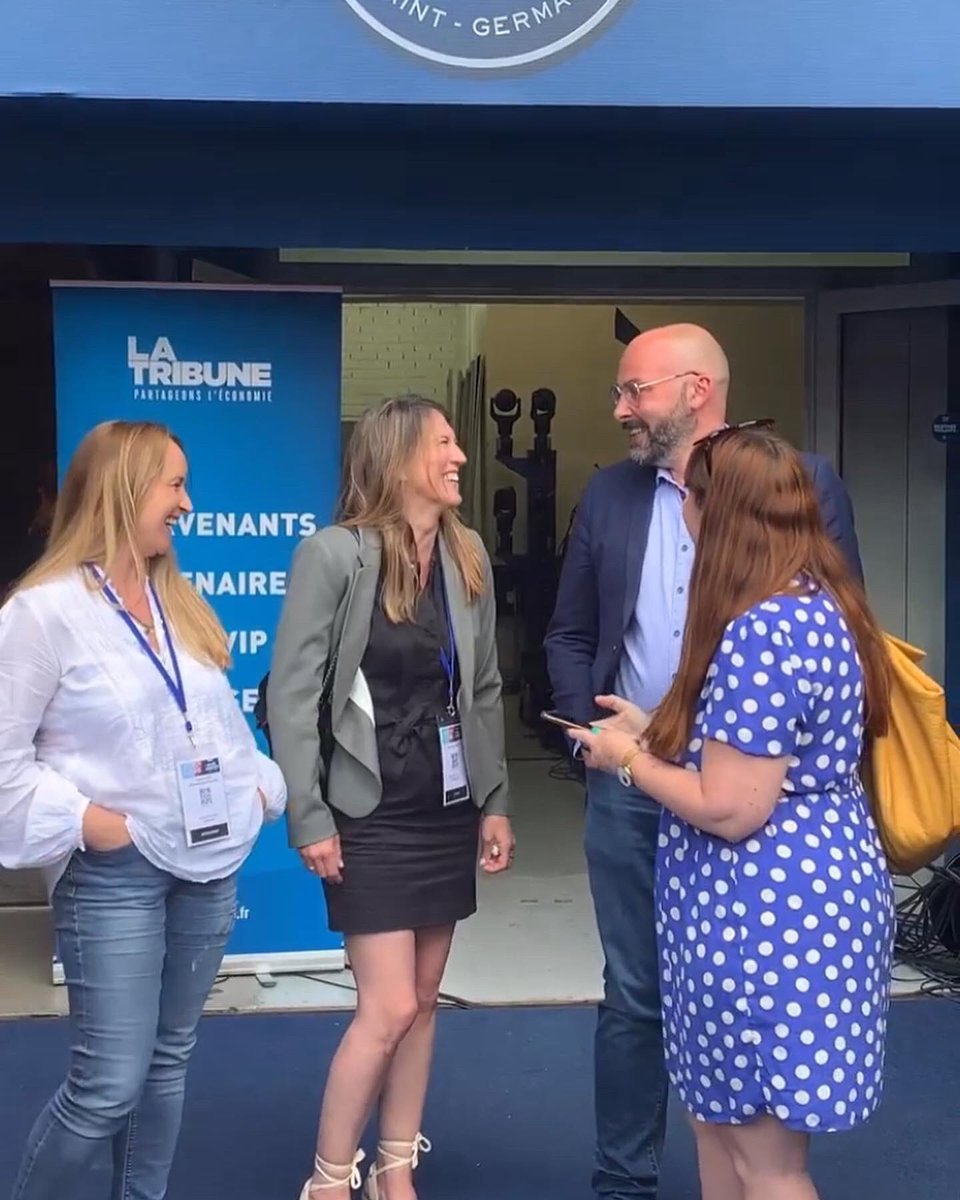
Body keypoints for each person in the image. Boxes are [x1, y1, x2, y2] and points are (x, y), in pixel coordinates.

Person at [543, 324, 864, 1200]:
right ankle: (625, 1181)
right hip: (648, 773)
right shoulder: (611, 495)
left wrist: (634, 757)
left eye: (633, 390)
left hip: (743, 831)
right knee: (649, 1004)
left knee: (754, 1122)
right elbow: (572, 631)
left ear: (695, 389)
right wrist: (605, 743)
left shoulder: (777, 595)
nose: (618, 409)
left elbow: (737, 801)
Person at [0, 419, 287, 1200]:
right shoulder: (42, 613)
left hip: (204, 869)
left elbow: (220, 727)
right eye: (175, 484)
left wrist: (260, 783)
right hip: (114, 874)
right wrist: (98, 827)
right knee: (106, 1087)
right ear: (125, 488)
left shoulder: (179, 604)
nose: (187, 504)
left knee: (167, 1061)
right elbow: (4, 762)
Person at [267, 395, 514, 1200]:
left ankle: (395, 1168)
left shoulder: (466, 550)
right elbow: (292, 697)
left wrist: (496, 798)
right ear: (401, 454)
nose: (460, 458)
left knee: (423, 1001)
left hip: (445, 808)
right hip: (366, 812)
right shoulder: (334, 555)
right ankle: (329, 1180)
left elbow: (482, 688)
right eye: (445, 444)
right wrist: (309, 813)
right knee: (387, 1006)